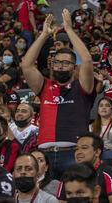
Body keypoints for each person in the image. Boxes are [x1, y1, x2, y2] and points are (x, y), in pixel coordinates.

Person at [21, 10, 96, 179]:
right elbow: (26, 65)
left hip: (73, 153)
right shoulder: (45, 86)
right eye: (57, 62)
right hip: (43, 156)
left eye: (66, 62)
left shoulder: (82, 86)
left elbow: (87, 60)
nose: (60, 66)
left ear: (73, 67)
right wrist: (44, 35)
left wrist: (69, 30)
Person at [58, 132, 112, 203]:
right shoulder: (68, 174)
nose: (78, 152)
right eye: (76, 149)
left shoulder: (109, 173)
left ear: (97, 152)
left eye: (84, 148)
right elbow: (61, 201)